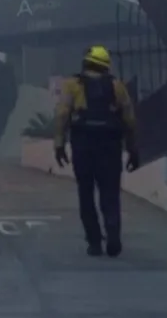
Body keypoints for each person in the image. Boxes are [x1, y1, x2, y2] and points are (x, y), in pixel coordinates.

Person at [53, 45, 139, 257]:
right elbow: (129, 119)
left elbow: (63, 114)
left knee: (86, 193)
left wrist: (59, 144)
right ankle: (113, 235)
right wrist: (133, 149)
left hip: (84, 147)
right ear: (106, 66)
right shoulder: (117, 87)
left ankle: (94, 242)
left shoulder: (72, 85)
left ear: (85, 63)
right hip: (110, 147)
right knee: (110, 193)